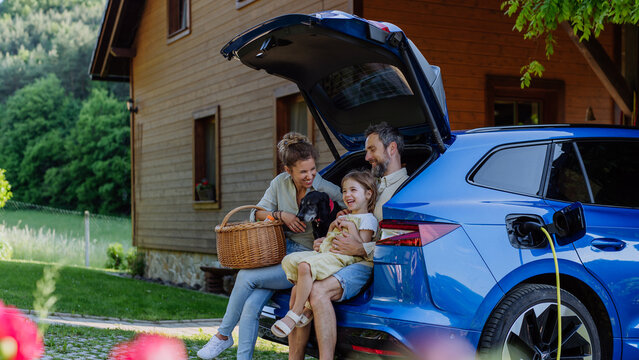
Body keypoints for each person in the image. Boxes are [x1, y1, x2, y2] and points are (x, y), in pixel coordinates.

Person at [197, 132, 343, 360]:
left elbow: (353, 207)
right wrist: (280, 214)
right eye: (303, 172)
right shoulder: (279, 183)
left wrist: (339, 221)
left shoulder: (325, 188)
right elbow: (257, 214)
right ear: (288, 170)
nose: (310, 176)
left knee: (246, 277)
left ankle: (223, 335)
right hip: (278, 253)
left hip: (304, 259)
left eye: (313, 169)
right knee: (251, 306)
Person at [288, 122, 409, 360]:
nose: (367, 156)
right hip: (347, 260)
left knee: (318, 291)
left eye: (372, 150)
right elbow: (358, 221)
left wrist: (362, 248)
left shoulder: (406, 190)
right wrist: (328, 240)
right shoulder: (375, 186)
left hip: (375, 267)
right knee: (298, 289)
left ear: (391, 148)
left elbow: (398, 243)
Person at [271, 170, 378, 338]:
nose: (347, 194)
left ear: (368, 194)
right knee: (289, 260)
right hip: (329, 252)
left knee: (306, 266)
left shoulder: (368, 219)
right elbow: (329, 237)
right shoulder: (345, 215)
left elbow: (360, 247)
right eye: (344, 191)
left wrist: (349, 226)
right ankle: (307, 307)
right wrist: (333, 225)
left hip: (346, 258)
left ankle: (294, 314)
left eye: (353, 190)